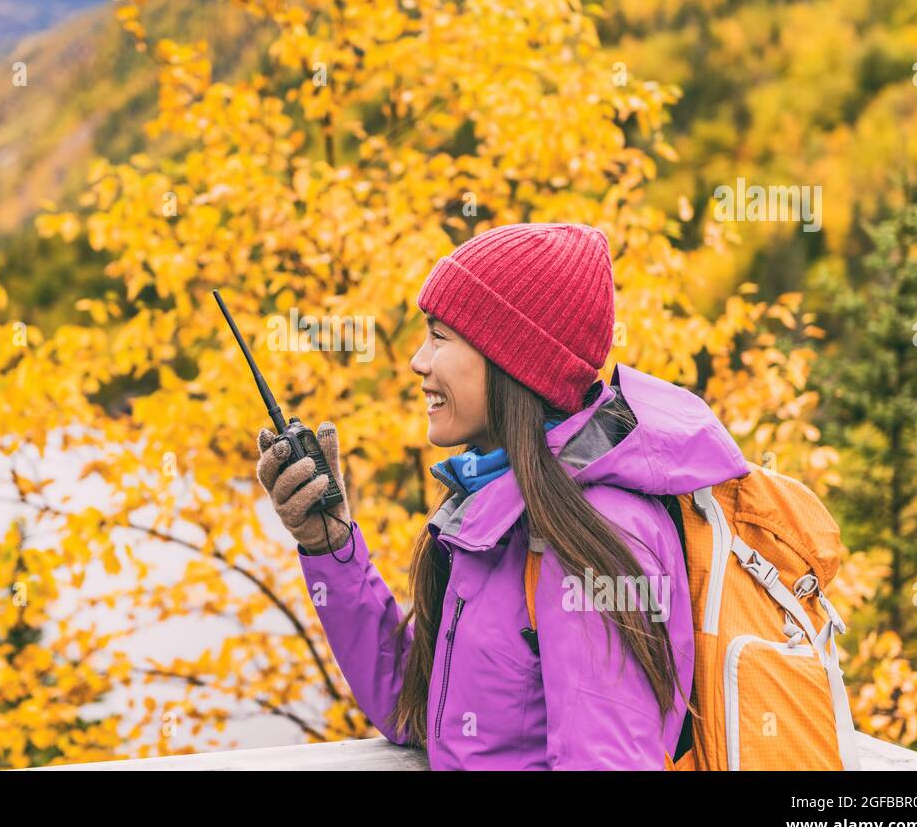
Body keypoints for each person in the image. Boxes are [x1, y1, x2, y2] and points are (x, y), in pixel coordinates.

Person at [255, 222, 750, 769]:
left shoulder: (596, 536)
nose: (419, 361)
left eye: (439, 337)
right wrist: (331, 546)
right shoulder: (503, 512)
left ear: (513, 361)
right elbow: (414, 706)